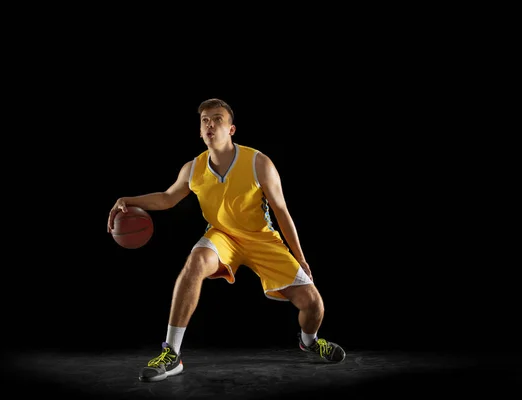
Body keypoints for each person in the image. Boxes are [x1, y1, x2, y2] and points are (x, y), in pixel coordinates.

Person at [107, 98, 346, 382]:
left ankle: (309, 341)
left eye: (217, 119)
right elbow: (167, 198)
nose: (210, 124)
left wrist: (301, 258)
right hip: (223, 236)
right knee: (195, 262)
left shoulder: (259, 162)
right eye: (205, 120)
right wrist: (127, 199)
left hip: (262, 239)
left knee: (313, 304)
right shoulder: (193, 169)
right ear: (200, 131)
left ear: (231, 129)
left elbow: (282, 212)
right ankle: (171, 354)